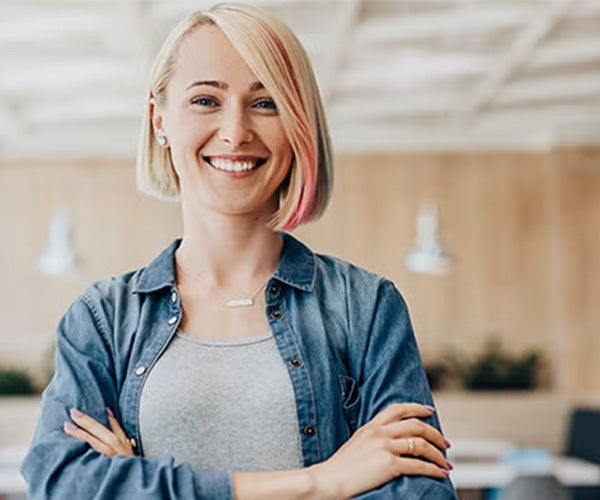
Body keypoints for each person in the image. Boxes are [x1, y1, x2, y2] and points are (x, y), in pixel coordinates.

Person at [21, 3, 458, 499]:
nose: (236, 132)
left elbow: (422, 494)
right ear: (159, 119)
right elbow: (61, 485)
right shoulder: (102, 319)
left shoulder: (366, 308)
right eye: (206, 100)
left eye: (266, 102)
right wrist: (320, 482)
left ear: (300, 125)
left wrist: (136, 482)